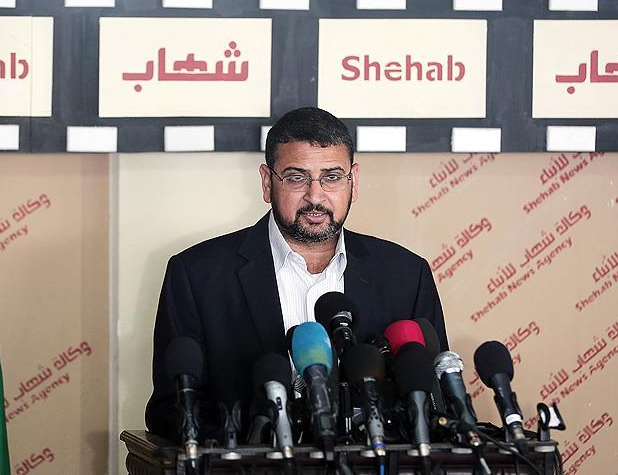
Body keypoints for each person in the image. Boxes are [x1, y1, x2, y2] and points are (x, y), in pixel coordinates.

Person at [145, 107, 448, 441]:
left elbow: (436, 404)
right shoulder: (197, 276)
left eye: (332, 177)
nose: (315, 196)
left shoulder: (406, 275)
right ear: (267, 182)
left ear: (353, 181)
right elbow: (170, 411)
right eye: (296, 178)